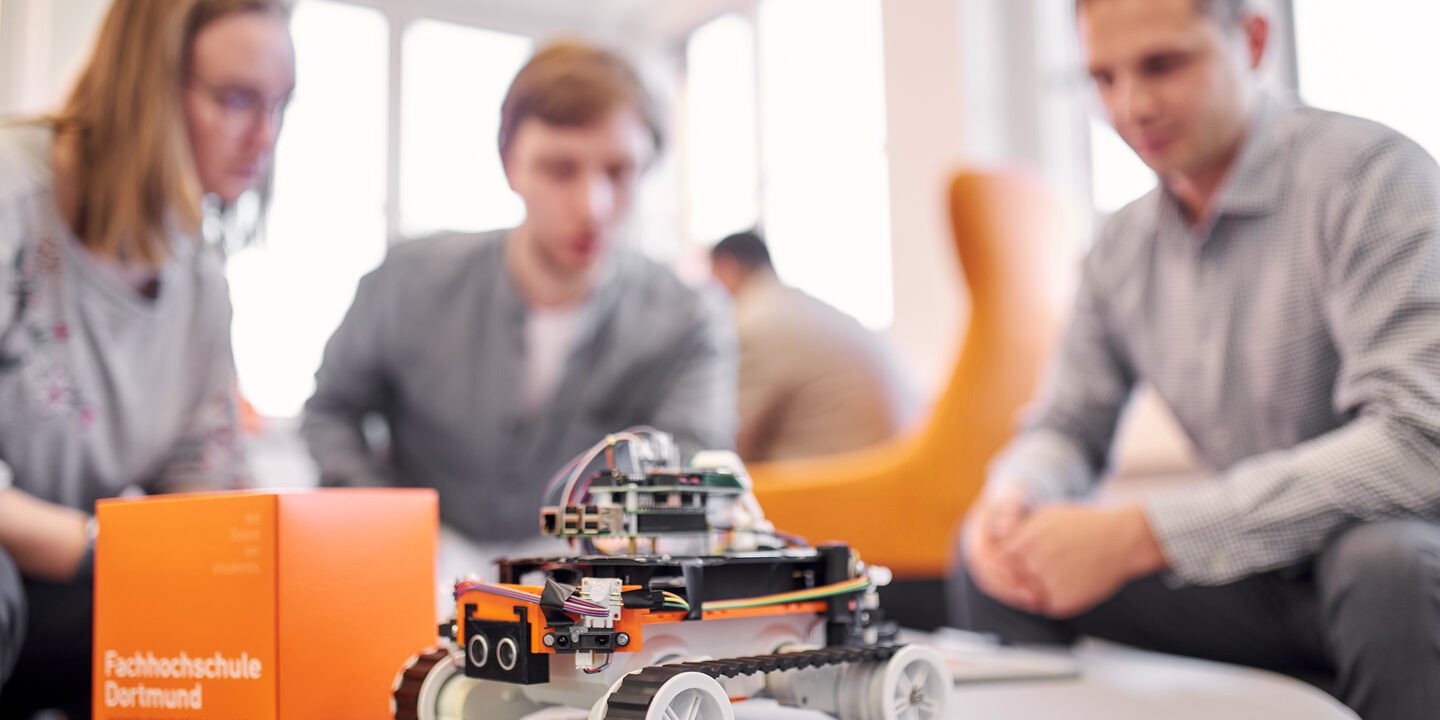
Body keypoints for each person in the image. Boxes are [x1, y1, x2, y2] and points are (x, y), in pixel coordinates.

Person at [949, 1, 1440, 718]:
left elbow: (1416, 443)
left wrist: (1146, 532)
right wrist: (1015, 494)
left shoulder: (1370, 178)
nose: (1131, 105)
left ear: (1254, 40)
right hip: (1261, 572)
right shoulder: (1121, 247)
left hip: (1390, 558)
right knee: (999, 564)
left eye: (1163, 65)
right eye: (1103, 78)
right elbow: (1067, 424)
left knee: (1384, 565)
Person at [302, 40, 737, 583]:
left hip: (588, 586)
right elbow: (330, 411)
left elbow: (687, 476)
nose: (592, 206)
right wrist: (386, 523)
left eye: (620, 171)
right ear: (510, 163)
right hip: (415, 563)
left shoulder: (690, 320)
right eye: (560, 169)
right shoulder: (407, 281)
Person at [0, 0, 294, 715]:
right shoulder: (13, 195)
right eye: (235, 100)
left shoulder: (199, 279)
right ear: (148, 83)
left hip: (80, 583)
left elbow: (207, 488)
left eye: (281, 105)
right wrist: (106, 547)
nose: (265, 135)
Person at [709, 231, 917, 462]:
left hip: (842, 479)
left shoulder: (755, 323)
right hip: (892, 462)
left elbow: (728, 445)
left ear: (726, 268)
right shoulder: (796, 307)